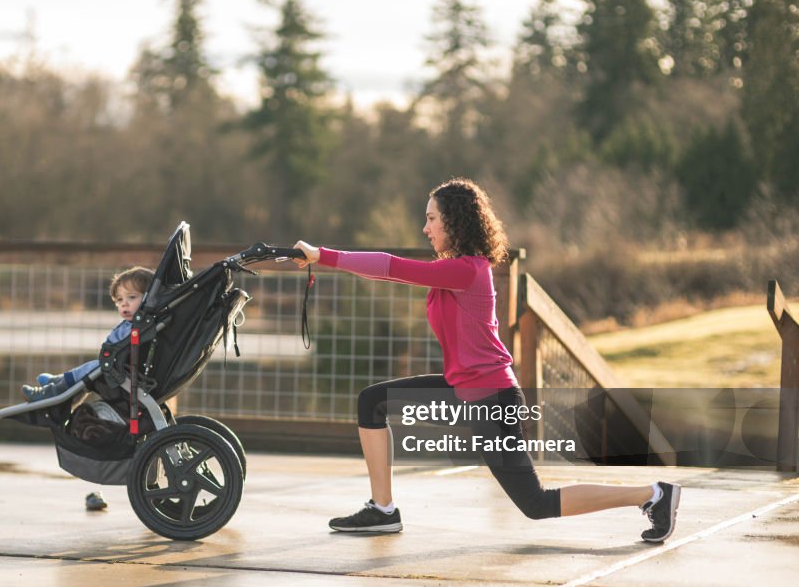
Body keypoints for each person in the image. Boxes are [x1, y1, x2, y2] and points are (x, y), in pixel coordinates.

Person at [292, 177, 681, 543]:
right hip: (466, 389)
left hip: (492, 400)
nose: (425, 229)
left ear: (454, 221)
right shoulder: (458, 269)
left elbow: (392, 268)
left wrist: (321, 255)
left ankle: (652, 495)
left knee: (536, 504)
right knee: (372, 401)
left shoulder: (467, 270)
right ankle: (382, 509)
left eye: (431, 219)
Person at [22, 265, 154, 513]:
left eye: (132, 298)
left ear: (148, 298)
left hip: (121, 373)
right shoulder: (137, 324)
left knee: (94, 369)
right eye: (119, 301)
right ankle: (57, 384)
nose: (124, 305)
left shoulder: (141, 325)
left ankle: (53, 388)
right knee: (92, 370)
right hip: (120, 371)